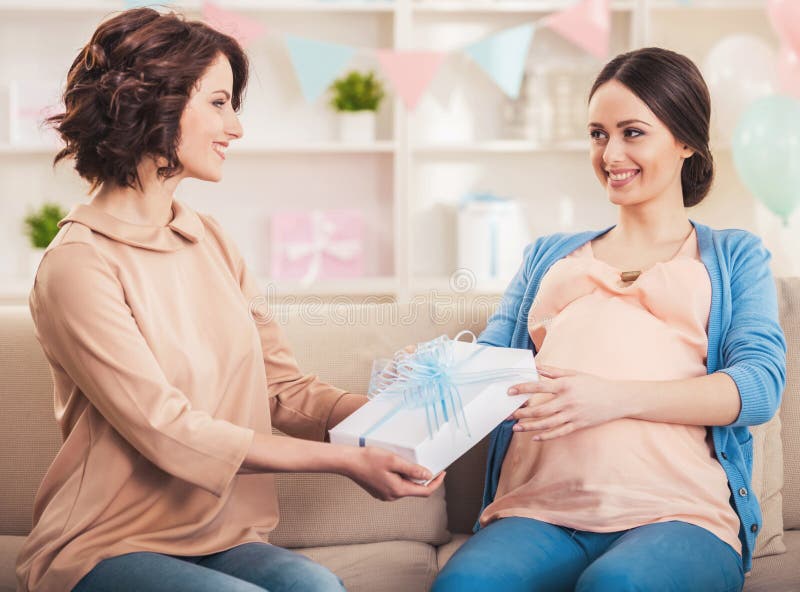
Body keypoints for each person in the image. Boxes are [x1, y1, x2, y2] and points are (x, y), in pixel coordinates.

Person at [15, 8, 443, 592]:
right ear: (152, 101)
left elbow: (282, 391)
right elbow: (166, 429)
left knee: (319, 588)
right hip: (105, 546)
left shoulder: (209, 238)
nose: (236, 127)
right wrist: (347, 461)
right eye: (219, 102)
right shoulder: (78, 265)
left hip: (223, 538)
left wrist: (396, 415)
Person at [432, 47, 786, 592]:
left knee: (618, 586)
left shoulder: (735, 254)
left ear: (686, 140)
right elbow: (486, 366)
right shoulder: (548, 254)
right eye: (598, 134)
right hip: (538, 512)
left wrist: (611, 397)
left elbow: (759, 389)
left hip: (676, 516)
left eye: (632, 132)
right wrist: (426, 383)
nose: (610, 152)